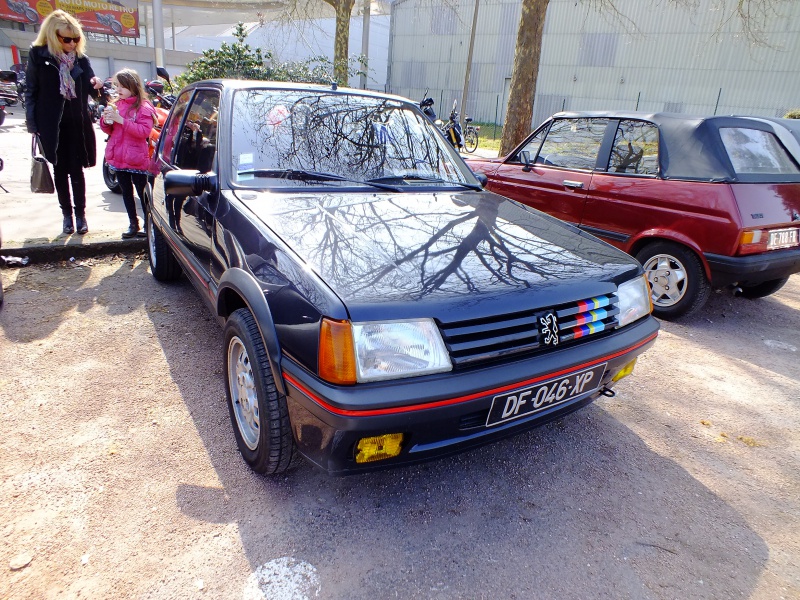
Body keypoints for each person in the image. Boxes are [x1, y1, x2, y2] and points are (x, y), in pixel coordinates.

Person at [25, 10, 104, 235]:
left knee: (77, 171)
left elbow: (95, 93)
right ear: (52, 36)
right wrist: (33, 125)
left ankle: (81, 215)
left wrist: (98, 86)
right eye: (66, 39)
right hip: (51, 124)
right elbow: (31, 92)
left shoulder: (81, 59)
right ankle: (66, 216)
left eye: (76, 38)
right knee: (60, 171)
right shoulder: (38, 56)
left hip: (77, 124)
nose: (72, 43)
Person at [100, 68, 157, 238]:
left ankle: (148, 225)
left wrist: (121, 121)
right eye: (117, 86)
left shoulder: (144, 107)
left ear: (133, 86)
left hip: (136, 157)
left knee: (142, 192)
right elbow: (108, 130)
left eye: (122, 86)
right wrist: (106, 121)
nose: (118, 90)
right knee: (125, 191)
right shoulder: (116, 104)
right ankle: (133, 223)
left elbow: (144, 132)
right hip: (118, 156)